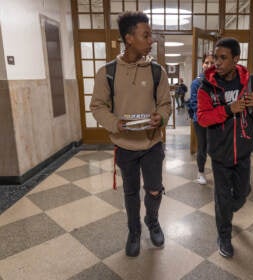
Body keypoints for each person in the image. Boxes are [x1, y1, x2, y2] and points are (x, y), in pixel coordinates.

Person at [90, 11, 172, 257]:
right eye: (145, 35)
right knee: (130, 192)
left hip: (152, 144)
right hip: (125, 145)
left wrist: (162, 116)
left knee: (155, 188)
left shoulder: (158, 72)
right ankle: (134, 230)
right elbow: (97, 106)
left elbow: (166, 103)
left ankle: (153, 221)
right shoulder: (107, 72)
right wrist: (115, 123)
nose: (151, 40)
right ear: (129, 38)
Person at [197, 38, 253, 258]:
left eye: (223, 58)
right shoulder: (206, 86)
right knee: (222, 199)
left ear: (236, 59)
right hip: (220, 154)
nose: (217, 62)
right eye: (216, 57)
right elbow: (203, 118)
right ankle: (224, 235)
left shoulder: (249, 81)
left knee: (242, 193)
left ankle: (237, 199)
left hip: (243, 150)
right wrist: (228, 109)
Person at [189, 53, 214, 185]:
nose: (209, 65)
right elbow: (193, 103)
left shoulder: (218, 81)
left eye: (212, 62)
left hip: (216, 120)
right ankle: (201, 172)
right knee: (202, 147)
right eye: (206, 62)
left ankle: (219, 172)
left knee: (215, 147)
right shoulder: (196, 82)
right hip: (200, 121)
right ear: (202, 64)